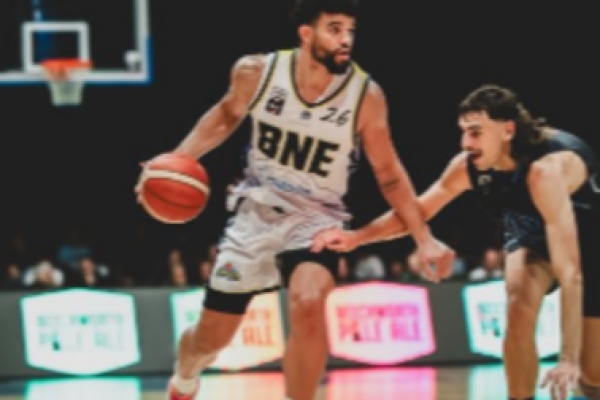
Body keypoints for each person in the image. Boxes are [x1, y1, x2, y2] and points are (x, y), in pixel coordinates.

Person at [135, 1, 455, 399]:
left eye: (350, 30)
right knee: (210, 341)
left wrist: (424, 238)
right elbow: (224, 117)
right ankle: (184, 378)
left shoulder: (365, 96)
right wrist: (171, 165)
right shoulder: (257, 72)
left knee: (308, 302)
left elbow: (389, 174)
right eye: (334, 29)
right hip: (255, 213)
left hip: (317, 218)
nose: (346, 39)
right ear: (306, 33)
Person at [311, 84, 600, 400]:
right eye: (463, 132)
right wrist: (357, 237)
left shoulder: (544, 173)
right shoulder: (467, 166)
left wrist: (567, 358)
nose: (466, 143)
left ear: (508, 130)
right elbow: (417, 212)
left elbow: (571, 272)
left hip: (591, 243)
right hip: (532, 234)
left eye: (476, 133)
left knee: (591, 379)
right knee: (518, 304)